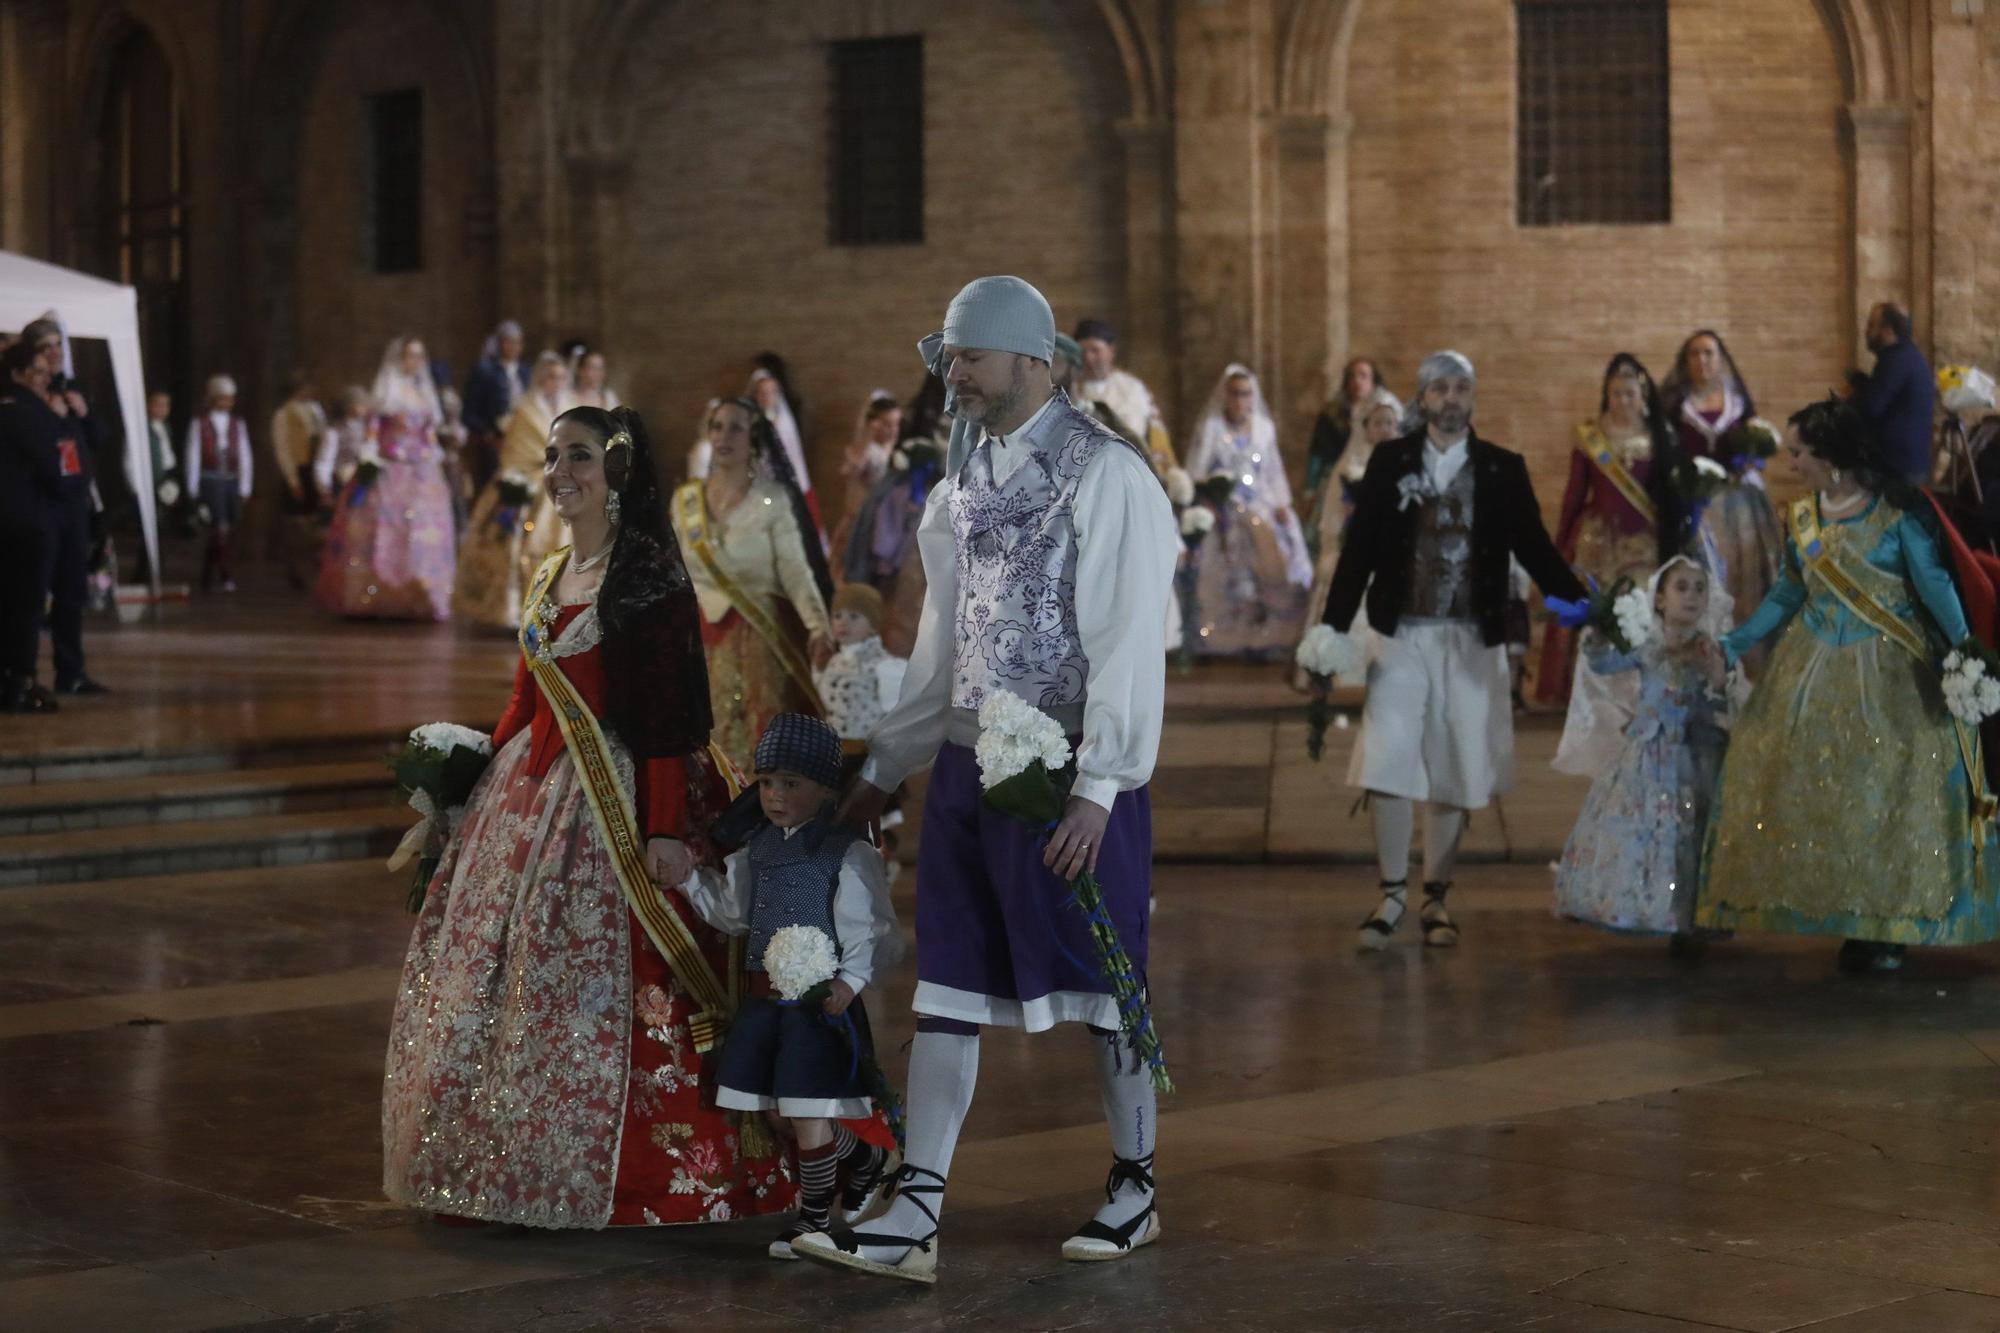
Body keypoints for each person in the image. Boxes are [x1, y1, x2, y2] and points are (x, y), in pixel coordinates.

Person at [797, 275, 1177, 1283]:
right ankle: (917, 1206)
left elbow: (1130, 637)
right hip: (966, 769)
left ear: (1027, 359)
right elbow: (939, 640)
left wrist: (1100, 785)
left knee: (1103, 982)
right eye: (948, 360)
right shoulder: (961, 477)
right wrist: (888, 764)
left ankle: (1135, 1181)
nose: (950, 377)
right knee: (946, 985)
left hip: (1066, 771)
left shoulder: (1106, 473)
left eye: (965, 357)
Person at [383, 403, 799, 1227]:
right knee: (505, 978)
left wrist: (666, 830)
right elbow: (523, 698)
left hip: (617, 797)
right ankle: (502, 1163)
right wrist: (465, 783)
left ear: (616, 474)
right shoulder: (547, 573)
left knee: (603, 977)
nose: (560, 472)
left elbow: (671, 721)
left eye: (578, 456)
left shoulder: (645, 579)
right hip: (525, 796)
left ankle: (640, 1177)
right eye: (552, 457)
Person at [1699, 399, 2000, 974]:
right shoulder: (1803, 515)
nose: (1790, 461)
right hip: (1810, 668)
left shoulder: (1897, 517)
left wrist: (1967, 654)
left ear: (1832, 458)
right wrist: (1735, 644)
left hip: (1894, 677)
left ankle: (1885, 926)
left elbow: (1936, 588)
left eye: (1799, 452)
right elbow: (1789, 594)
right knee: (1812, 788)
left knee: (1883, 794)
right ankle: (1839, 909)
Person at [1318, 351, 1586, 951]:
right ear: (1423, 397)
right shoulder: (1391, 463)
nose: (1451, 396)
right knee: (1387, 761)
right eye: (1440, 387)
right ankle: (1389, 896)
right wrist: (1332, 628)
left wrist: (1584, 603)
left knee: (1451, 765)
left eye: (1461, 386)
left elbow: (1536, 548)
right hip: (1403, 633)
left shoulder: (1501, 469)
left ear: (1472, 397)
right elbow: (1359, 551)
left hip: (1470, 637)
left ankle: (1436, 898)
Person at [674, 712, 900, 1259]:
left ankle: (814, 1219)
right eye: (767, 782)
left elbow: (871, 928)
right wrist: (687, 878)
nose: (774, 795)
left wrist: (849, 981)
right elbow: (734, 916)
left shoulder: (844, 851)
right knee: (779, 1112)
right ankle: (865, 1159)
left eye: (791, 784)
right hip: (767, 1006)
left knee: (804, 1114)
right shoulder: (758, 850)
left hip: (817, 1008)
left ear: (825, 789)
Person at [1552, 557, 1737, 947]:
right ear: (1659, 600)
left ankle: (1691, 919)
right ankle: (1649, 906)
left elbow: (1724, 692)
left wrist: (1717, 675)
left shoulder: (1711, 646)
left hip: (1696, 754)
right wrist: (1601, 632)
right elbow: (1604, 663)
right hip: (1650, 752)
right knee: (1652, 832)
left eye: (1699, 588)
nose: (1691, 596)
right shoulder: (1646, 643)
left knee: (1691, 834)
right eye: (1681, 588)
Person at [671, 396, 834, 775]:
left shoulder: (773, 501)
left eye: (735, 427)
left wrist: (816, 624)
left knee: (758, 734)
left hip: (758, 634)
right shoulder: (684, 501)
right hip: (695, 637)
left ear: (753, 438)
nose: (723, 435)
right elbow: (674, 571)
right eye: (717, 426)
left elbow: (795, 570)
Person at [1535, 354, 1672, 705]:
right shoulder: (1589, 437)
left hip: (1646, 540)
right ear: (1606, 395)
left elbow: (1670, 493)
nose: (1623, 400)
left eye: (1630, 393)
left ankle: (1644, 685)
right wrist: (1561, 540)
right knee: (1592, 611)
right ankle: (1584, 691)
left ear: (1642, 396)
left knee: (1642, 610)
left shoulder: (1660, 435)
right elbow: (1574, 493)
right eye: (1616, 394)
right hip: (1597, 540)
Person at [316, 336, 456, 620]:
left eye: (419, 356)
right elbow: (373, 430)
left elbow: (428, 434)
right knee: (385, 528)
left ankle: (420, 594)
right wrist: (371, 458)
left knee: (420, 531)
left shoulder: (423, 393)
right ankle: (377, 595)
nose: (414, 362)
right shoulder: (387, 391)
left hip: (420, 469)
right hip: (390, 466)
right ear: (398, 358)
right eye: (409, 355)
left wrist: (433, 455)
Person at [1658, 330, 1782, 637]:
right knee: (1703, 571)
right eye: (1695, 354)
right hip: (1697, 506)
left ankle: (1746, 648)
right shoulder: (1675, 406)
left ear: (1721, 358)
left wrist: (1753, 458)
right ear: (1685, 361)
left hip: (1741, 506)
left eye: (1709, 353)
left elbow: (1754, 445)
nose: (1702, 360)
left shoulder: (1738, 403)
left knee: (1745, 574)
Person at [1184, 363, 1312, 657]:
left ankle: (1268, 632)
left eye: (1246, 394)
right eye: (1235, 394)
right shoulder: (1212, 428)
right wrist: (1211, 497)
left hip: (1260, 504)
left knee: (1276, 548)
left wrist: (1282, 504)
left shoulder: (1264, 430)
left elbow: (1273, 471)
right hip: (1223, 510)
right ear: (1225, 396)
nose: (1240, 401)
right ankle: (1222, 633)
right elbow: (1197, 471)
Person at [455, 351, 573, 629]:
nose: (556, 382)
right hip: (529, 477)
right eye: (551, 377)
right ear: (542, 379)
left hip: (564, 481)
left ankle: (561, 606)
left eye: (561, 377)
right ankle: (515, 607)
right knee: (519, 531)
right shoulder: (525, 409)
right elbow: (517, 451)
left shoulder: (569, 407)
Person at [21, 319, 105, 695]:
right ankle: (21, 674)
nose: (54, 352)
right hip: (39, 506)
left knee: (72, 592)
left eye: (58, 344)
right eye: (45, 346)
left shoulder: (71, 389)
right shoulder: (23, 394)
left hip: (74, 506)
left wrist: (83, 413)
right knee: (32, 594)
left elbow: (100, 439)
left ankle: (71, 671)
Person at [1302, 386, 1403, 643]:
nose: (1385, 429)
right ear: (1365, 427)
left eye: (1390, 423)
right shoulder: (1350, 466)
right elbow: (1334, 512)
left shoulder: (1405, 463)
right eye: (1378, 423)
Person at [0, 340, 62, 713]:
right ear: (19, 374)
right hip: (28, 523)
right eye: (39, 371)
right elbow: (56, 469)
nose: (46, 378)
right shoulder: (32, 413)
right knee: (25, 607)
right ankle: (20, 681)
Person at [1303, 358, 1386, 559]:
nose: (1357, 381)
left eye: (1363, 376)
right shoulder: (1333, 413)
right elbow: (1318, 454)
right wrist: (1310, 490)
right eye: (1352, 376)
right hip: (1337, 481)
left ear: (1374, 381)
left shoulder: (1383, 413)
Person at [1073, 317, 1174, 474]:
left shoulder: (1134, 388)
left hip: (1133, 468)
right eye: (1083, 351)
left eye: (1095, 350)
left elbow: (1155, 436)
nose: (1088, 358)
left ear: (1111, 351)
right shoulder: (1070, 389)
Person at [1849, 301, 1935, 486]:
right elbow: (1888, 395)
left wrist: (1842, 404)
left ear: (1887, 330)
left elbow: (1872, 407)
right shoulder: (1905, 356)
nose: (1867, 331)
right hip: (1908, 464)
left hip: (1897, 468)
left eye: (1872, 325)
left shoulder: (1896, 360)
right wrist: (1861, 382)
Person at [183, 375, 255, 593]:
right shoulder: (199, 423)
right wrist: (192, 486)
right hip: (210, 480)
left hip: (230, 481)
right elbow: (192, 454)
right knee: (219, 527)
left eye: (229, 399)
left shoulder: (238, 424)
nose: (226, 403)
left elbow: (245, 455)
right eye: (222, 398)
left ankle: (208, 573)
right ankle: (224, 573)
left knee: (226, 529)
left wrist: (245, 485)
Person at [749, 363, 822, 539]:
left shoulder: (783, 423)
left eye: (772, 392)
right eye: (763, 393)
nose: (768, 397)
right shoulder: (750, 423)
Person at [269, 374, 327, 591]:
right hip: (298, 470)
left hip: (314, 468)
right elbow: (282, 447)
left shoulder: (315, 410)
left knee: (314, 521)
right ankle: (296, 570)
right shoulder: (283, 414)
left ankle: (316, 568)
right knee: (297, 523)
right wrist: (292, 478)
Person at [460, 319, 528, 492]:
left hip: (522, 443)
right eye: (508, 342)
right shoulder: (484, 371)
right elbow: (469, 412)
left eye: (517, 342)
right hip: (493, 445)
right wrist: (488, 434)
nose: (513, 347)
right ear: (499, 343)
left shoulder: (525, 372)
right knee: (495, 490)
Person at [313, 387, 373, 500]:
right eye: (361, 404)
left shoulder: (364, 427)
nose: (365, 408)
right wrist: (324, 488)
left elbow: (369, 450)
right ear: (349, 406)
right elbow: (324, 462)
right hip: (343, 482)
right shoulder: (334, 431)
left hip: (361, 482)